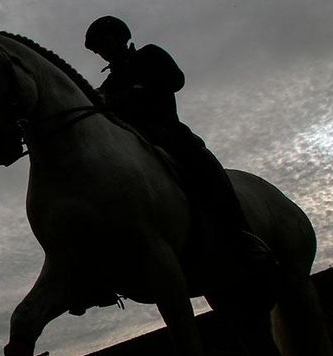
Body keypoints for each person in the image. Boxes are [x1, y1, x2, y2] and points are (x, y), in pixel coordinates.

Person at [84, 16, 276, 292]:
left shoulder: (149, 55)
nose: (101, 51)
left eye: (102, 43)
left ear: (118, 37)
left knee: (204, 166)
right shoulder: (107, 85)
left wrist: (130, 95)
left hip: (167, 132)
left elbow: (175, 80)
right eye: (96, 49)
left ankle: (242, 236)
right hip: (134, 143)